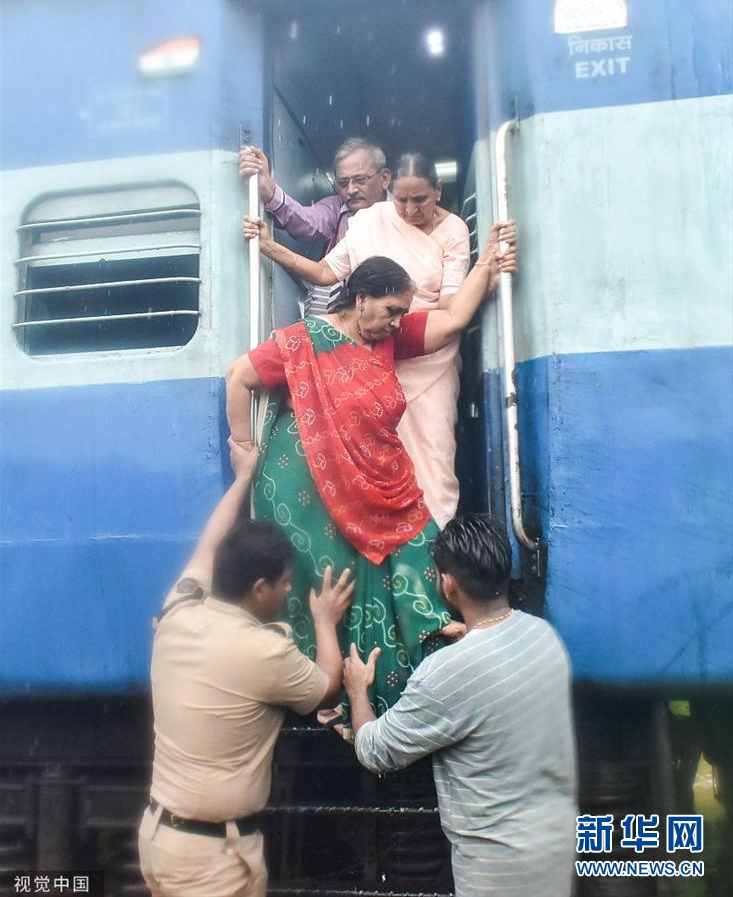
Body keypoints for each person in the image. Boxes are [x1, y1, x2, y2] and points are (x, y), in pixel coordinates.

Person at [226, 226, 516, 724]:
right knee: (331, 582)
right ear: (361, 299)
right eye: (391, 310)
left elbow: (452, 320)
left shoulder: (387, 337)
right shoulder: (302, 342)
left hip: (378, 478)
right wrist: (243, 449)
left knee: (419, 542)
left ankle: (419, 651)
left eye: (403, 312)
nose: (397, 321)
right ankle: (332, 693)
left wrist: (488, 259)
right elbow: (239, 376)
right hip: (304, 484)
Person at [138, 439, 355, 897]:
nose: (290, 587)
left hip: (162, 840)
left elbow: (208, 545)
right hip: (212, 860)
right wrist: (324, 622)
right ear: (260, 589)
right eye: (284, 582)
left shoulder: (179, 611)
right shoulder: (262, 652)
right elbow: (326, 688)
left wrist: (242, 478)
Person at [343, 514, 577, 897]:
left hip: (496, 873)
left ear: (447, 584)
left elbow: (374, 751)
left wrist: (356, 690)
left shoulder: (446, 673)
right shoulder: (543, 636)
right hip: (554, 849)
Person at [242, 153, 470, 528]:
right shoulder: (369, 222)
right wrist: (269, 246)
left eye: (420, 200)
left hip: (430, 351)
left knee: (435, 458)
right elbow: (324, 272)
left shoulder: (455, 229)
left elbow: (451, 305)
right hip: (374, 356)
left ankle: (434, 544)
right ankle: (382, 541)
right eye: (401, 200)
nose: (409, 210)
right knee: (375, 457)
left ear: (438, 192)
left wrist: (488, 270)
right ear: (390, 190)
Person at [239, 137, 392, 315]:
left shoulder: (404, 214)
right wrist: (268, 190)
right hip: (337, 322)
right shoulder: (336, 207)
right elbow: (307, 222)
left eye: (360, 180)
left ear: (385, 178)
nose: (351, 190)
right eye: (343, 183)